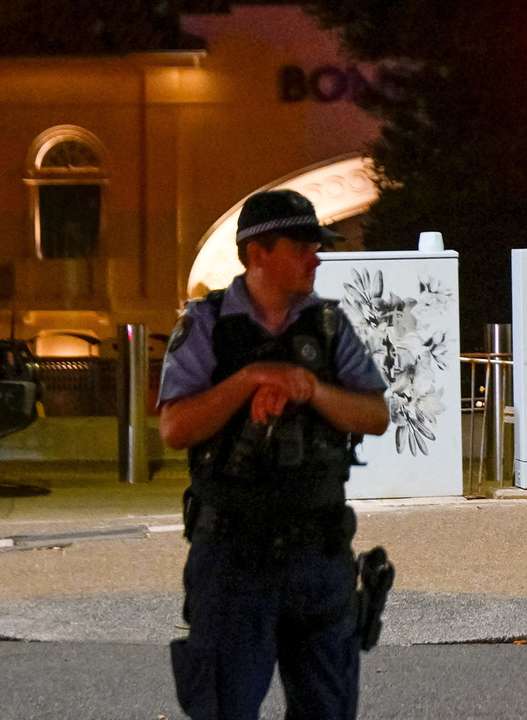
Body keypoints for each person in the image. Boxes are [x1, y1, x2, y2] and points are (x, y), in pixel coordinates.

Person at [159, 189, 390, 719]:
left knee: (327, 711)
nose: (317, 256)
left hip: (319, 554)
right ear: (259, 252)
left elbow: (374, 416)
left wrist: (309, 387)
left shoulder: (329, 326)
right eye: (303, 244)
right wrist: (251, 379)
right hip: (233, 556)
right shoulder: (207, 325)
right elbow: (175, 427)